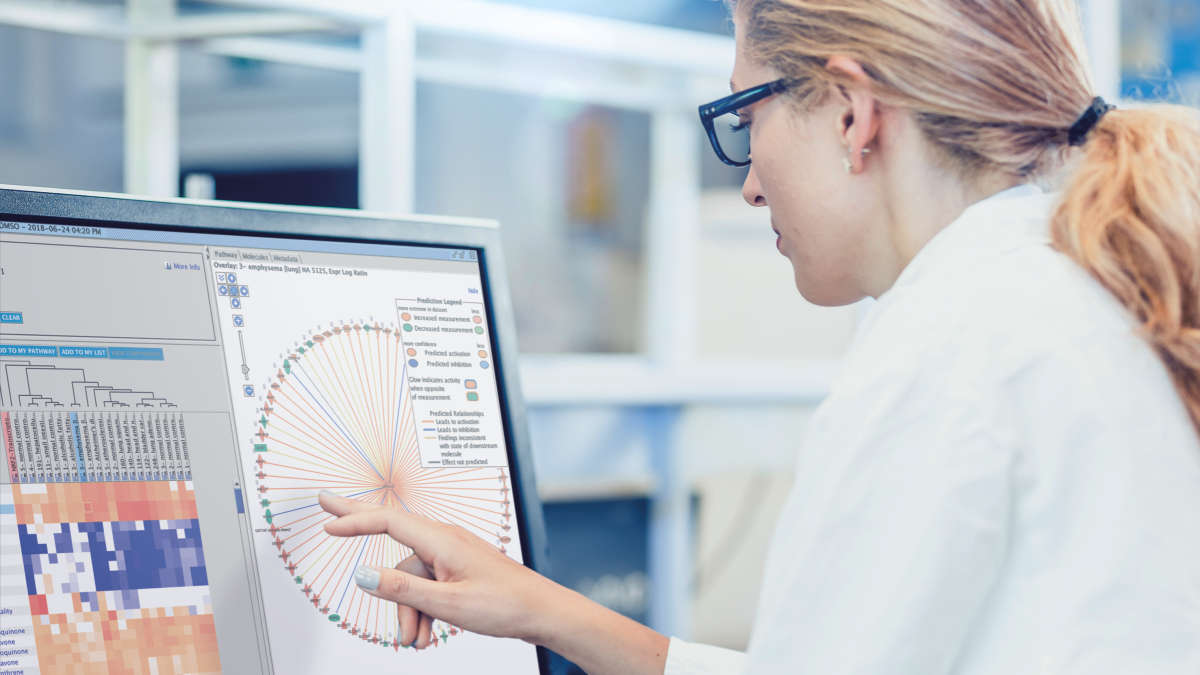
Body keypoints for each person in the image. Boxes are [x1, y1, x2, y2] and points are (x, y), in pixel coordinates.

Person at [317, 0, 1200, 671]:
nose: (748, 185)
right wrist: (550, 612)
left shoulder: (950, 346)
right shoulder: (1073, 287)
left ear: (854, 113)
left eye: (746, 120)